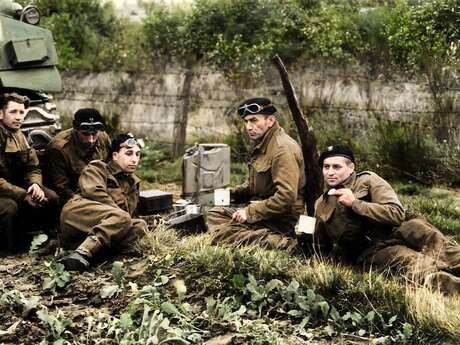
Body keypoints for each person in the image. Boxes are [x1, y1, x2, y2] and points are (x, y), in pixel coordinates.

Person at [313, 145, 460, 295]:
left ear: (351, 168)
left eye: (336, 167)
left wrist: (355, 203)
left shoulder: (368, 180)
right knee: (417, 265)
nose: (330, 172)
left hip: (403, 228)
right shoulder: (321, 203)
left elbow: (396, 214)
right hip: (375, 249)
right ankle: (452, 286)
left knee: (447, 252)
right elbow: (320, 246)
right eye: (326, 167)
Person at [207, 97, 306, 251]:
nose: (249, 127)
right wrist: (232, 194)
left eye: (254, 120)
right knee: (215, 214)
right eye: (246, 121)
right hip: (264, 208)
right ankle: (257, 236)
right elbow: (255, 183)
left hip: (283, 218)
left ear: (270, 120)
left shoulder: (282, 149)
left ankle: (283, 244)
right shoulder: (264, 142)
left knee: (223, 230)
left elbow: (286, 197)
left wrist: (250, 212)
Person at [60, 133, 147, 271]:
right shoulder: (98, 168)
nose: (134, 159)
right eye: (129, 154)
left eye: (137, 154)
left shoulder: (132, 183)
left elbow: (130, 215)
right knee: (123, 217)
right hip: (77, 215)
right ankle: (82, 252)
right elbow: (94, 193)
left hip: (103, 226)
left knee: (140, 226)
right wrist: (121, 216)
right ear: (114, 156)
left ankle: (88, 255)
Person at [0, 92, 59, 251]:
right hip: (3, 190)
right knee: (9, 208)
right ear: (1, 113)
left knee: (51, 197)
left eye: (21, 112)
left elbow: (33, 166)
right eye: (13, 112)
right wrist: (23, 195)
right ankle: (7, 253)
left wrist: (35, 185)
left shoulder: (19, 135)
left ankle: (49, 242)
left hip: (14, 186)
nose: (19, 117)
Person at [43, 108, 111, 205]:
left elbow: (110, 168)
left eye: (94, 134)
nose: (91, 140)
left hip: (98, 189)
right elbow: (61, 188)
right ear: (76, 128)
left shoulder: (103, 137)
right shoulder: (59, 148)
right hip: (72, 196)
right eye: (85, 134)